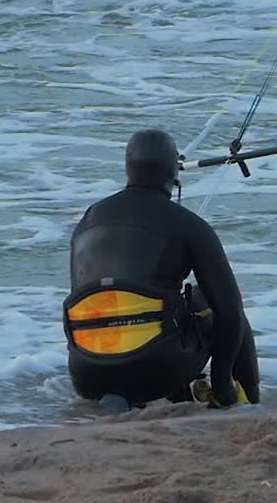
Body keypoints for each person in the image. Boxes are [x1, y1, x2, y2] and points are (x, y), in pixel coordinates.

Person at [62, 129, 260, 411]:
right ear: (174, 172)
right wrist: (221, 381)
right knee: (213, 303)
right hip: (155, 371)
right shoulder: (190, 225)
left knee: (149, 306)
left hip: (87, 372)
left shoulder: (89, 219)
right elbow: (229, 313)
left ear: (128, 169)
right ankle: (246, 402)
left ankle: (154, 395)